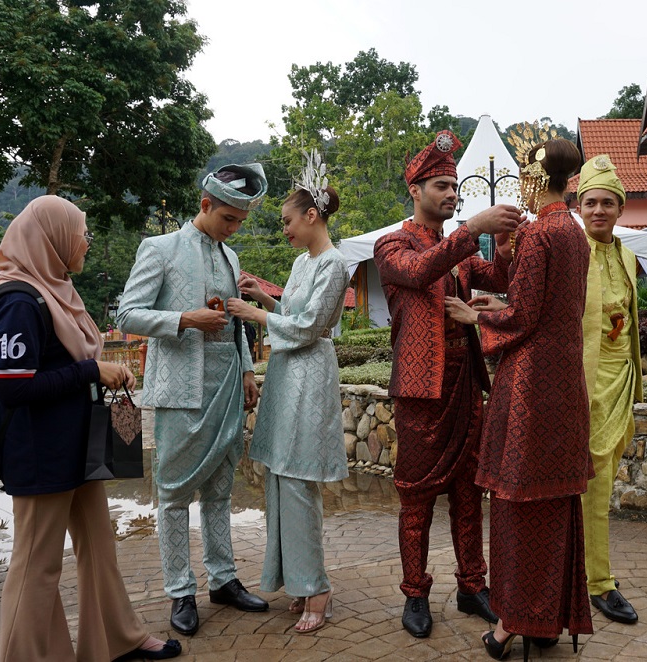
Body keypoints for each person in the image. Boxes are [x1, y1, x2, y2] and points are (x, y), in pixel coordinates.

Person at [0, 196, 180, 661]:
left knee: (99, 549)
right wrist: (92, 372)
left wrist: (97, 371)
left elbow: (68, 363)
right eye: (82, 234)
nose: (86, 244)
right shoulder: (16, 300)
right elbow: (13, 388)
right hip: (41, 455)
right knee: (37, 566)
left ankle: (115, 640)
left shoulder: (57, 294)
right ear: (53, 238)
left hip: (79, 447)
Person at [446, 136, 592, 660]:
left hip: (528, 386)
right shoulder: (574, 233)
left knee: (516, 504)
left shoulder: (537, 234)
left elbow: (522, 316)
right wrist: (499, 301)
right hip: (564, 383)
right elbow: (550, 309)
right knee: (554, 503)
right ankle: (550, 618)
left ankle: (508, 624)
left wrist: (475, 315)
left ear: (534, 176)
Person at [373, 130, 522, 639]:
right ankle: (415, 591)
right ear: (415, 190)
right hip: (420, 388)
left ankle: (471, 584)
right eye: (440, 185)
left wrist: (500, 249)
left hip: (464, 383)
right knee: (415, 497)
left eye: (454, 187)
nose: (451, 194)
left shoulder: (458, 253)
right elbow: (418, 272)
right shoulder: (392, 244)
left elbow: (498, 280)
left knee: (467, 490)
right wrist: (472, 227)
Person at [117, 165, 266, 637]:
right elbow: (128, 314)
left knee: (221, 489)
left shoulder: (231, 258)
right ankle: (180, 589)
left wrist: (246, 370)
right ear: (204, 206)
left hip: (225, 386)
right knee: (176, 493)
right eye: (228, 218)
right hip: (182, 389)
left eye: (240, 221)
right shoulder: (159, 248)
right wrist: (183, 319)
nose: (234, 228)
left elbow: (237, 322)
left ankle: (223, 579)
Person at [227, 150, 350, 634]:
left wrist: (257, 315)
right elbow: (293, 308)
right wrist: (263, 296)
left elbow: (309, 325)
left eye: (287, 221)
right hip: (286, 374)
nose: (285, 229)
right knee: (280, 476)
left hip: (310, 371)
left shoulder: (336, 263)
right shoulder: (303, 263)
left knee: (298, 481)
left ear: (311, 215)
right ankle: (297, 582)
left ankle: (317, 587)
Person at [576, 155, 643, 625]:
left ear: (620, 209)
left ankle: (583, 574)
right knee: (593, 488)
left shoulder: (627, 255)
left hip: (621, 379)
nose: (598, 210)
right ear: (579, 208)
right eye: (590, 202)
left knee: (602, 483)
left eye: (607, 203)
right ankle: (598, 583)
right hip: (583, 381)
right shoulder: (570, 253)